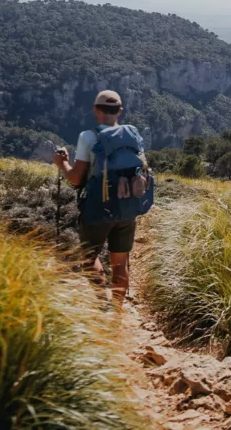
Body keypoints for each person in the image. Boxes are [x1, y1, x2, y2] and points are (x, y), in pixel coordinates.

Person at [54, 89, 146, 308]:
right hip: (127, 207)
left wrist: (62, 163)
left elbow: (76, 178)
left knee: (89, 257)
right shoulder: (132, 134)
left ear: (96, 110)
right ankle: (117, 314)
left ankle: (101, 307)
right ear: (120, 111)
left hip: (98, 208)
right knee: (120, 263)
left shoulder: (88, 137)